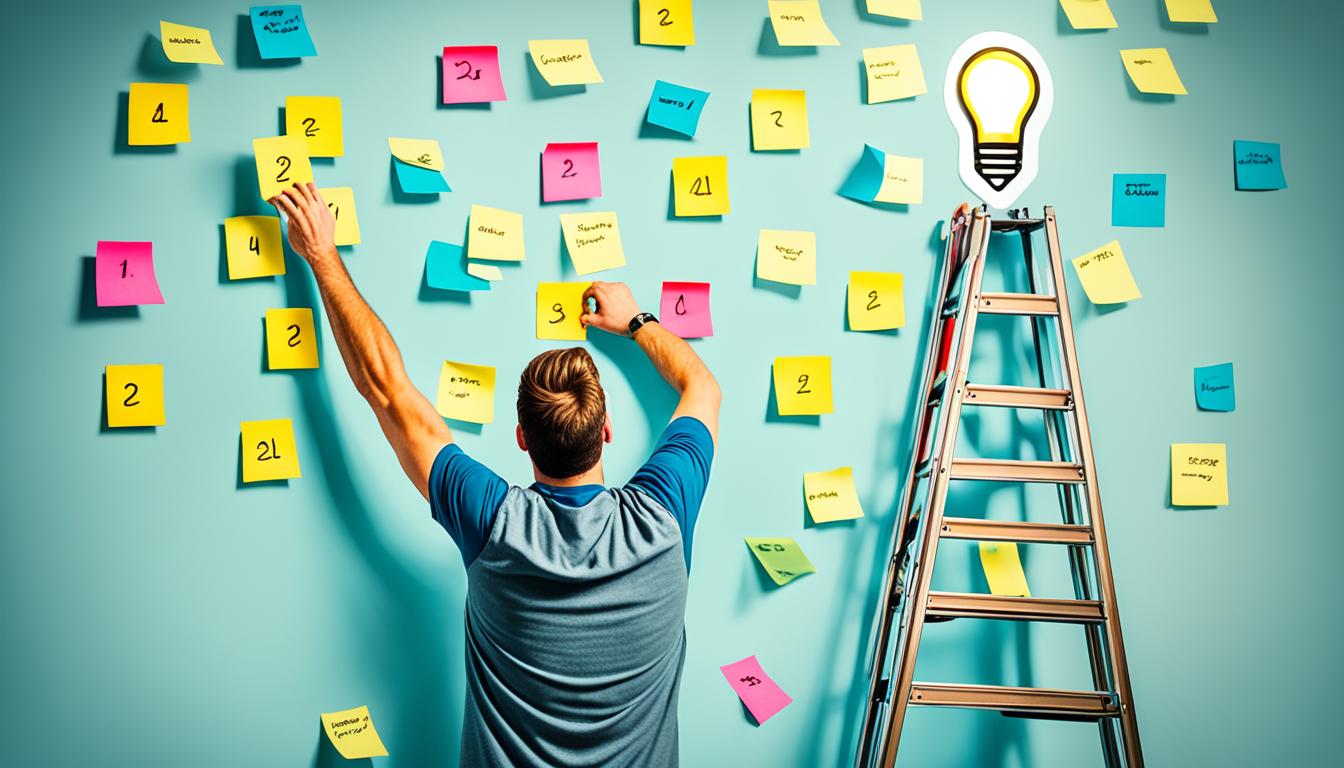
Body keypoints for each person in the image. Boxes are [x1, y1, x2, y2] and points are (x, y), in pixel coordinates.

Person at [270, 183, 721, 767]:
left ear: (521, 440)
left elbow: (386, 390)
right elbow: (702, 388)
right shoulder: (664, 514)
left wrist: (322, 257)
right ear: (606, 429)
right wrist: (635, 319)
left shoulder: (492, 522)